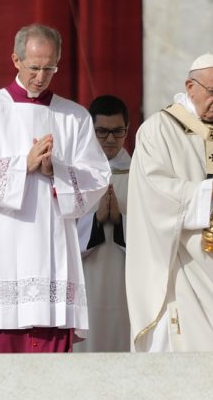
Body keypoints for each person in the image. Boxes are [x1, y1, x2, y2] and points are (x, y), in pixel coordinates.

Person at [0, 24, 111, 353]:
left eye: (49, 68)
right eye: (34, 67)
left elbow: (96, 176)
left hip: (49, 244)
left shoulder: (73, 116)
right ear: (15, 60)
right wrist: (24, 164)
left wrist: (56, 170)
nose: (41, 76)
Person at [126, 54, 213, 352]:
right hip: (183, 261)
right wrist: (206, 191)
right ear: (190, 86)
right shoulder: (158, 131)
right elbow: (152, 192)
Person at [73, 95, 131, 352]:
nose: (110, 139)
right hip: (85, 279)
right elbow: (59, 233)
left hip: (126, 281)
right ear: (90, 130)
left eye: (117, 132)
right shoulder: (75, 174)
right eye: (102, 132)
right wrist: (96, 221)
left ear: (127, 130)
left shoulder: (140, 174)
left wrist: (120, 222)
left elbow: (156, 231)